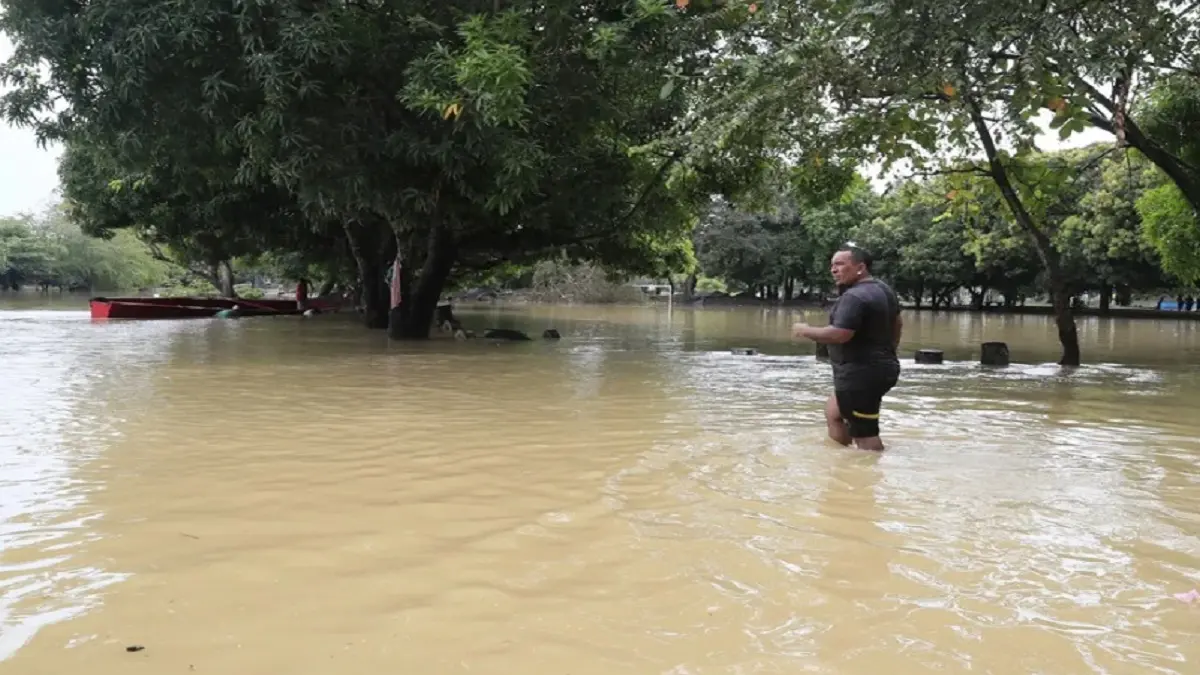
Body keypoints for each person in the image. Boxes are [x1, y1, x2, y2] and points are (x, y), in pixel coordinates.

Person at [792, 244, 902, 451]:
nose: (834, 270)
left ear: (860, 268)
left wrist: (805, 330)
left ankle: (866, 473)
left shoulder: (854, 297)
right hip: (881, 368)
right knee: (833, 412)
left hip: (861, 374)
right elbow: (897, 323)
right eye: (832, 265)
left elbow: (840, 334)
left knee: (865, 433)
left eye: (840, 264)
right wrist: (888, 351)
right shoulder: (883, 289)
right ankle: (842, 462)